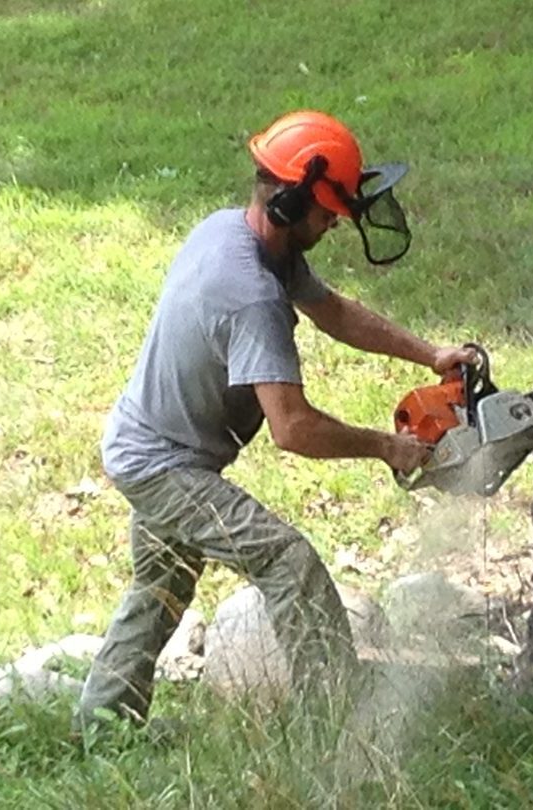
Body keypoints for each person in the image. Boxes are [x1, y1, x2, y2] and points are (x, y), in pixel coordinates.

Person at [77, 110, 475, 727]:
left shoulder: (235, 233)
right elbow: (292, 428)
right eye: (327, 215)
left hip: (145, 443)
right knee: (288, 564)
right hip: (164, 465)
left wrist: (430, 354)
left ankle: (101, 725)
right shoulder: (252, 296)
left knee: (162, 587)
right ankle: (339, 720)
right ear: (291, 204)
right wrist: (386, 448)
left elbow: (333, 311)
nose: (333, 226)